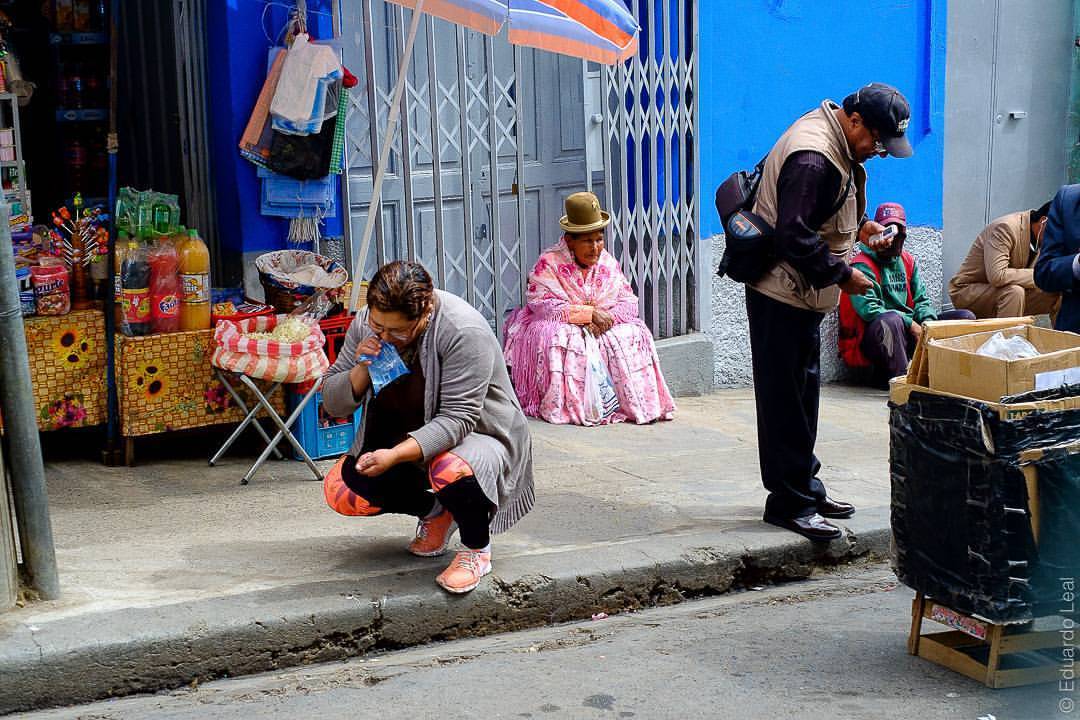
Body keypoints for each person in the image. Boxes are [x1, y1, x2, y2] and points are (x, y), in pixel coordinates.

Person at [745, 82, 913, 542]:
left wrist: (865, 228)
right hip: (780, 293)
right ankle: (787, 503)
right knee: (783, 401)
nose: (877, 153)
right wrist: (843, 275)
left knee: (804, 396)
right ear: (855, 120)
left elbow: (827, 208)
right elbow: (793, 236)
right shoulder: (813, 156)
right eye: (876, 142)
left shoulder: (839, 148)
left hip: (803, 295)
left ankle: (805, 485)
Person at [321, 261, 534, 594]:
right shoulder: (368, 324)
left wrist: (394, 455)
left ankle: (477, 550)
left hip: (481, 435)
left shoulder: (463, 330)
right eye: (378, 326)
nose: (385, 337)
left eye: (398, 331)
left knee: (450, 468)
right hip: (410, 432)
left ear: (425, 314)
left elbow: (458, 419)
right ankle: (438, 512)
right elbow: (333, 403)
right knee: (343, 490)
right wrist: (360, 369)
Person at [502, 191, 676, 426]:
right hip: (564, 322)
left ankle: (633, 404)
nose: (595, 248)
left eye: (599, 239)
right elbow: (542, 305)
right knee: (566, 338)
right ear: (570, 240)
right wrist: (587, 314)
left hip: (600, 322)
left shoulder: (606, 262)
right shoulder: (549, 262)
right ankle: (575, 406)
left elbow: (628, 301)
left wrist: (606, 319)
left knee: (633, 333)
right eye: (587, 241)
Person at [839, 202, 975, 386]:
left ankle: (948, 379)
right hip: (878, 340)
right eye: (888, 229)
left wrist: (929, 325)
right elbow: (869, 310)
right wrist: (910, 323)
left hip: (908, 335)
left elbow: (921, 300)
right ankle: (903, 383)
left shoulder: (907, 260)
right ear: (878, 232)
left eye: (898, 230)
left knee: (964, 318)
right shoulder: (862, 265)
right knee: (891, 320)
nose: (894, 237)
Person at [948, 202, 1060, 319]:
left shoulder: (1043, 240)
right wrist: (1041, 274)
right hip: (969, 293)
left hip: (1007, 293)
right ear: (1044, 222)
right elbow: (997, 275)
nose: (1059, 239)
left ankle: (1064, 336)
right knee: (1014, 292)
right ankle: (1005, 337)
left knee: (1059, 292)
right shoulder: (1005, 227)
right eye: (1059, 233)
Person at [1034, 184, 1080, 332]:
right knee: (1013, 292)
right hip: (1074, 335)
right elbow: (1043, 272)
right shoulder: (1068, 200)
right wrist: (1076, 263)